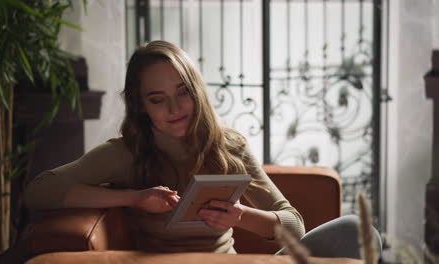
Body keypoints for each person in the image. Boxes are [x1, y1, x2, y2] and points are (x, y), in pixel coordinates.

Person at [24, 40, 380, 258]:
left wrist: (241, 217)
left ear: (197, 90)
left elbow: (294, 225)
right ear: (141, 106)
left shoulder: (230, 146)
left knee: (357, 232)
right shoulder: (125, 153)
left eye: (183, 92)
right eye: (157, 99)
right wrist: (134, 198)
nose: (175, 109)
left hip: (232, 263)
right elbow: (40, 191)